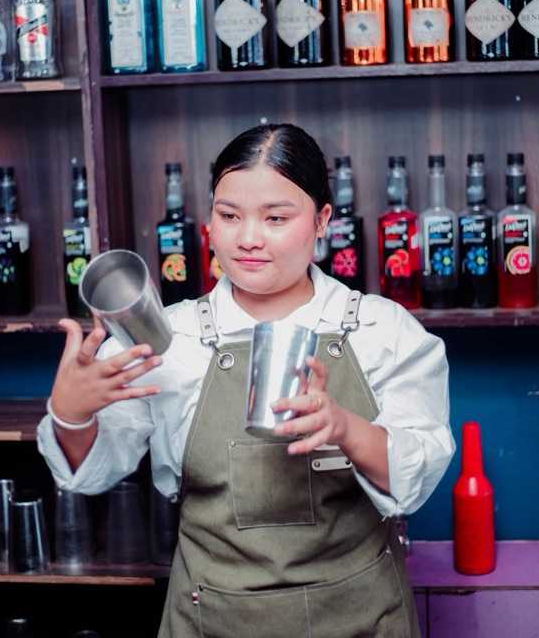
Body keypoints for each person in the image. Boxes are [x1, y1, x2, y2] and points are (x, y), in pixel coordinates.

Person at [38, 123, 455, 637]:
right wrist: (72, 414)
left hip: (363, 618)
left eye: (276, 218)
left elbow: (416, 477)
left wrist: (346, 428)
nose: (248, 239)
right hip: (211, 618)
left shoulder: (380, 330)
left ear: (322, 220)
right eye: (229, 215)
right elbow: (94, 472)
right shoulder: (168, 338)